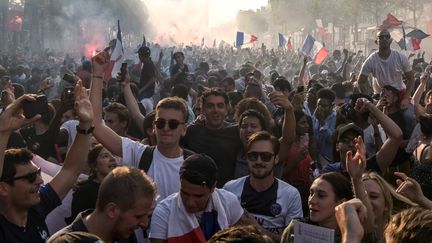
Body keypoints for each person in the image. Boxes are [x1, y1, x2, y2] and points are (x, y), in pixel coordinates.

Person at [89, 47, 191, 200]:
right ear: (154, 127)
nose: (166, 128)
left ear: (184, 129)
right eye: (161, 123)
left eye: (173, 124)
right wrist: (97, 73)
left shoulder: (193, 164)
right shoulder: (140, 154)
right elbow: (96, 125)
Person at [0, 80, 91, 242]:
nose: (40, 181)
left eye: (38, 173)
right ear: (4, 187)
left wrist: (86, 124)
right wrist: (4, 130)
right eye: (30, 177)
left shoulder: (37, 207)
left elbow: (70, 171)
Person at [149, 154, 252, 243]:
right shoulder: (163, 212)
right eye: (184, 193)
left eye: (198, 196)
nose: (190, 203)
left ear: (213, 188)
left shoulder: (228, 202)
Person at [224, 131, 302, 240]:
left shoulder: (291, 195)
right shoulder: (230, 189)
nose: (259, 161)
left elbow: (292, 241)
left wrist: (257, 229)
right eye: (253, 156)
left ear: (276, 159)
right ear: (247, 158)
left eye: (266, 156)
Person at [48, 166, 157, 243]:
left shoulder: (125, 234)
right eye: (138, 216)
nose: (144, 224)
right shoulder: (65, 241)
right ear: (112, 210)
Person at [280, 172, 354, 243]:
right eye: (311, 193)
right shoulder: (296, 228)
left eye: (321, 195)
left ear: (341, 203)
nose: (312, 200)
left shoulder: (353, 233)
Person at [358, 29, 415, 111]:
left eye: (387, 37)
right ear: (376, 41)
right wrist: (369, 98)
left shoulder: (400, 57)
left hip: (399, 93)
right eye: (381, 37)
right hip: (380, 95)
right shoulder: (371, 60)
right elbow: (361, 81)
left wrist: (406, 98)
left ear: (391, 40)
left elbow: (411, 79)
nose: (384, 39)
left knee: (408, 117)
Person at [66, 144, 117, 224]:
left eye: (113, 155)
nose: (113, 159)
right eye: (105, 156)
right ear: (94, 166)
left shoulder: (122, 187)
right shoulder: (84, 193)